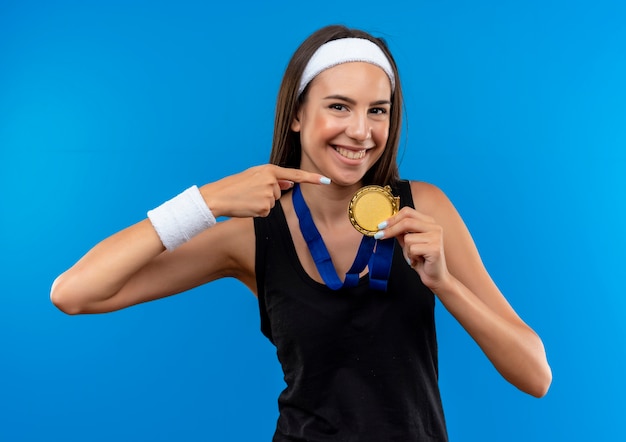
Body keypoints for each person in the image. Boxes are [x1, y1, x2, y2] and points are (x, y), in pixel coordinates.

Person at [51, 24, 551, 441]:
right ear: (296, 114)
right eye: (339, 106)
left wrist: (445, 283)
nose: (361, 130)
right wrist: (206, 201)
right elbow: (75, 293)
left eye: (378, 110)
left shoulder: (426, 207)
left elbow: (535, 375)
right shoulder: (250, 235)